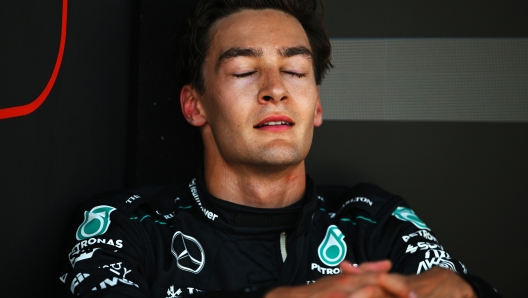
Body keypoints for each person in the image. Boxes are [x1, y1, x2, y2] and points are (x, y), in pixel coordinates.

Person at [59, 0, 501, 297]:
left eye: (293, 70)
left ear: (318, 105)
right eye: (244, 70)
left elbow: (455, 287)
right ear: (195, 105)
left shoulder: (371, 218)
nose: (275, 90)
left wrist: (455, 289)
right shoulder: (126, 224)